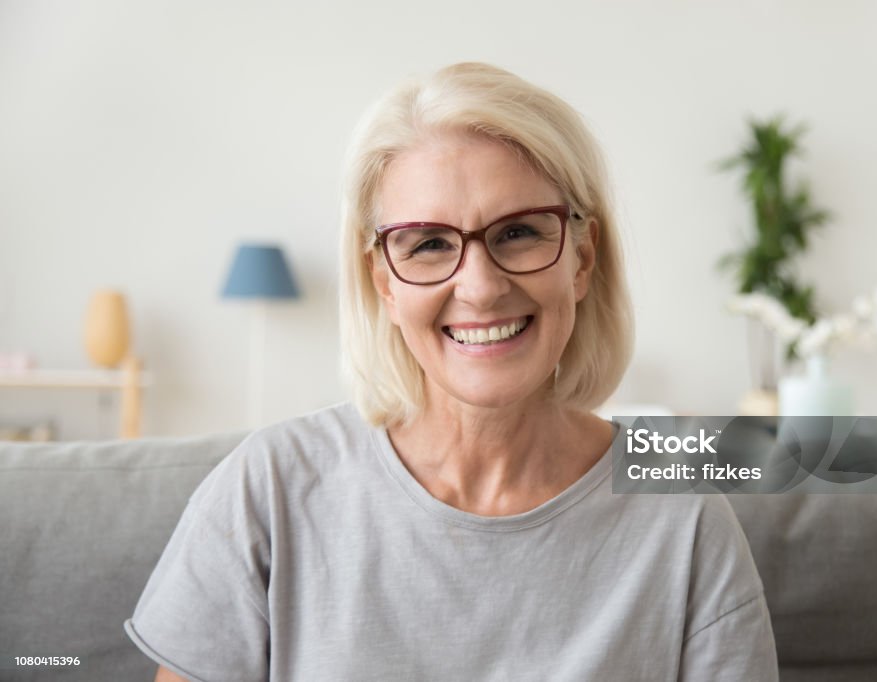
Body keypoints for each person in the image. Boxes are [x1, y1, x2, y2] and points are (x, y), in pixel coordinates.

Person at [126, 62, 778, 681]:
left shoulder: (685, 518)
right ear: (383, 280)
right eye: (430, 244)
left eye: (519, 231)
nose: (482, 287)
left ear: (581, 260)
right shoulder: (268, 488)